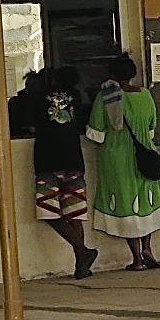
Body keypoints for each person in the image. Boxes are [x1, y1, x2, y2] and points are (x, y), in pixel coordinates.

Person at [9, 66, 98, 279]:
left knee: (48, 212)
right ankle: (81, 261)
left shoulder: (38, 99)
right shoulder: (76, 96)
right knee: (74, 212)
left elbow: (28, 125)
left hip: (48, 160)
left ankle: (82, 251)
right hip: (74, 158)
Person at [87, 54, 160, 270]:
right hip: (146, 156)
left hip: (116, 158)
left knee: (126, 202)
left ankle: (137, 259)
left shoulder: (106, 97)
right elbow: (151, 129)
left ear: (112, 74)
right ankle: (148, 248)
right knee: (145, 201)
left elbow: (96, 133)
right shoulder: (146, 96)